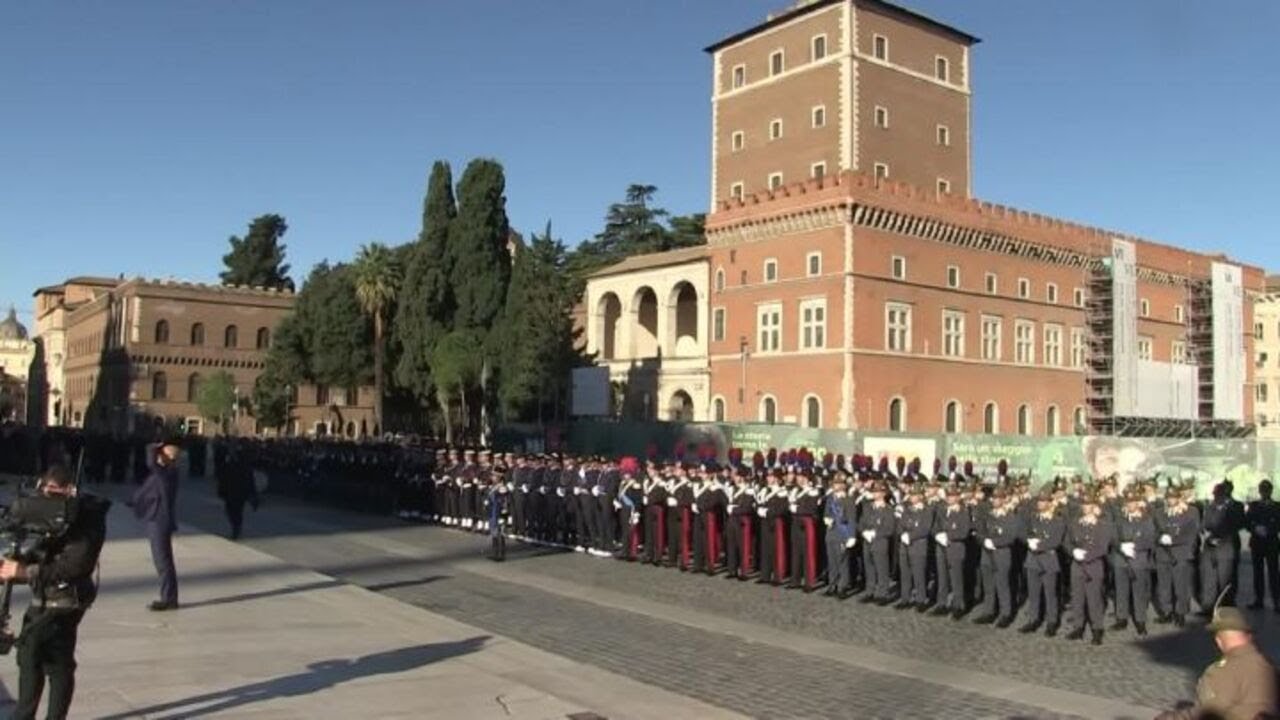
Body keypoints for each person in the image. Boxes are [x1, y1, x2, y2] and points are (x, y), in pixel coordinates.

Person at [1, 465, 111, 720]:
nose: (46, 497)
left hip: (66, 600)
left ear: (69, 490)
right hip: (45, 597)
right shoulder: (55, 517)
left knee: (35, 652)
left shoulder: (87, 519)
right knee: (48, 660)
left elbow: (74, 566)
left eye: (52, 491)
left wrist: (24, 571)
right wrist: (16, 564)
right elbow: (41, 552)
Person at [1155, 606, 1278, 720]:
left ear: (1218, 640)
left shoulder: (1223, 672)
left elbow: (1207, 712)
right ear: (1248, 636)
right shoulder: (1268, 665)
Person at [130, 443, 181, 611]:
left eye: (162, 454)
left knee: (163, 561)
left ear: (168, 458)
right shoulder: (165, 473)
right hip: (156, 519)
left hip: (160, 521)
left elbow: (150, 462)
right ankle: (169, 596)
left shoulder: (167, 474)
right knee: (162, 560)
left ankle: (169, 598)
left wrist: (154, 447)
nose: (158, 457)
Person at [1246, 479, 1280, 610]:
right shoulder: (1254, 505)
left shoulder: (1277, 506)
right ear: (1260, 491)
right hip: (1257, 542)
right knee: (1258, 572)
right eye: (1262, 490)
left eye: (1266, 490)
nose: (1264, 492)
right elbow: (1247, 521)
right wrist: (1255, 528)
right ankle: (1258, 599)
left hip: (1271, 542)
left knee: (1274, 572)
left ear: (1271, 491)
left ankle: (1276, 600)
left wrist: (1269, 530)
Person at [215, 449, 259, 540]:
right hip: (235, 492)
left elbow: (222, 479)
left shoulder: (237, 466)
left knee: (234, 511)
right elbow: (222, 479)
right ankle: (237, 527)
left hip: (235, 492)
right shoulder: (232, 466)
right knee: (234, 511)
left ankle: (236, 528)